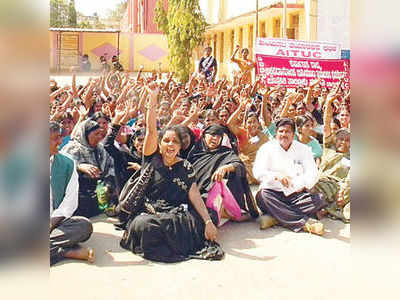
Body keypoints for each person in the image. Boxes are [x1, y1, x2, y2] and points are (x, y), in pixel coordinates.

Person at [119, 88, 222, 263]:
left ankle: (171, 237)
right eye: (166, 140)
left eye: (175, 141)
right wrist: (152, 99)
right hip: (151, 211)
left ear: (181, 146)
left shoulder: (186, 166)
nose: (171, 144)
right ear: (159, 145)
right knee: (142, 226)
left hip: (176, 212)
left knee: (209, 216)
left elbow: (194, 195)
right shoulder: (152, 158)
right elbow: (151, 130)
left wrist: (207, 222)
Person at [253, 118, 327, 235]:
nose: (284, 135)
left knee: (320, 199)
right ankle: (305, 222)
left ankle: (275, 217)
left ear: (293, 134)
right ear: (276, 133)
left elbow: (312, 173)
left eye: (287, 132)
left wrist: (302, 185)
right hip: (273, 192)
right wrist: (276, 176)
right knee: (262, 197)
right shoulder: (266, 148)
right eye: (281, 131)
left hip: (296, 193)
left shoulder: (303, 149)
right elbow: (257, 171)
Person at [187, 125, 259, 225]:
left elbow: (239, 165)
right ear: (204, 136)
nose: (215, 138)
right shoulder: (195, 153)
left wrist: (225, 168)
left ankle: (229, 212)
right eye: (212, 134)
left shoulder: (226, 152)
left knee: (219, 185)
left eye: (219, 136)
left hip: (213, 192)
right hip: (194, 192)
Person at [50, 122, 94, 266]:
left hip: (56, 222)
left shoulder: (67, 163)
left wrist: (50, 223)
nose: (60, 142)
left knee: (84, 226)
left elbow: (70, 201)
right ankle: (64, 251)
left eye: (60, 137)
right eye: (55, 138)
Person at [61, 120, 116, 218]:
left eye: (100, 133)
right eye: (96, 134)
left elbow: (110, 167)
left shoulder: (100, 149)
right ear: (85, 134)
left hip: (98, 190)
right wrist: (78, 166)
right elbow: (61, 168)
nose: (99, 137)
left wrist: (108, 185)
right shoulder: (72, 148)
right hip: (78, 192)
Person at [312, 128, 350, 223]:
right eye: (341, 139)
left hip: (340, 186)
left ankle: (326, 209)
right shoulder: (328, 149)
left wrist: (342, 190)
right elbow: (327, 122)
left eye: (347, 140)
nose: (343, 143)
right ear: (335, 140)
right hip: (321, 181)